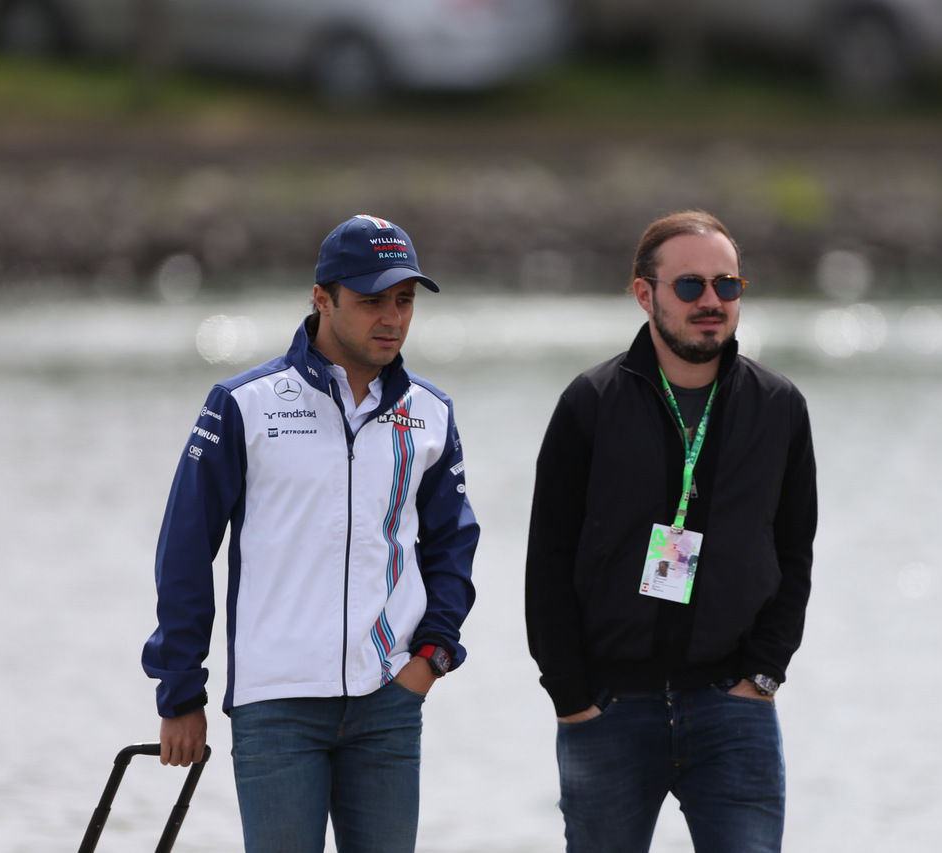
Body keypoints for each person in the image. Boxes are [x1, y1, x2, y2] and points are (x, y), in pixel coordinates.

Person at [142, 214, 479, 853]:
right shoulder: (243, 403)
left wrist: (431, 658)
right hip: (278, 709)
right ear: (322, 298)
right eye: (372, 300)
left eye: (404, 301)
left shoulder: (431, 414)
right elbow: (186, 550)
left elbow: (452, 546)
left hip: (389, 702)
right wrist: (180, 691)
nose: (393, 318)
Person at [525, 210, 817, 852]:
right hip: (607, 711)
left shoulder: (779, 408)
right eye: (690, 286)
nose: (711, 302)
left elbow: (795, 554)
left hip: (732, 709)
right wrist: (571, 695)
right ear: (644, 293)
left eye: (727, 286)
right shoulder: (590, 403)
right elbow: (547, 559)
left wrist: (764, 674)